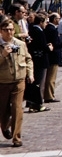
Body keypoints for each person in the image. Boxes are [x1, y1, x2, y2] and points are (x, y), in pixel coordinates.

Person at [0, 17, 33, 148]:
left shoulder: (20, 44)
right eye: (6, 30)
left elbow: (28, 59)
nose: (9, 32)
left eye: (11, 29)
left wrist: (30, 73)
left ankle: (17, 137)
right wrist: (3, 55)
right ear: (1, 31)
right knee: (2, 111)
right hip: (2, 82)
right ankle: (4, 125)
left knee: (17, 108)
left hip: (18, 81)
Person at [25, 13, 52, 113]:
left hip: (36, 59)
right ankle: (37, 104)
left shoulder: (33, 29)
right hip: (40, 60)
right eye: (45, 22)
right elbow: (41, 46)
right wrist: (49, 48)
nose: (46, 24)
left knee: (36, 82)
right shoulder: (38, 31)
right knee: (39, 83)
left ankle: (33, 103)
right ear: (41, 22)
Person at [43, 13, 62, 104]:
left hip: (50, 55)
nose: (59, 20)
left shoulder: (50, 28)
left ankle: (49, 94)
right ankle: (49, 96)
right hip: (53, 56)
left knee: (50, 77)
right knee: (51, 78)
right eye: (58, 18)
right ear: (54, 19)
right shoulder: (52, 29)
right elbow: (56, 44)